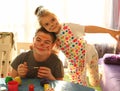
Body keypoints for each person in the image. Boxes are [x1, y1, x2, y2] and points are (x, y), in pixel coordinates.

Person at [34, 6, 120, 86]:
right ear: (43, 27)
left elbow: (89, 28)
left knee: (95, 82)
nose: (51, 24)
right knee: (78, 85)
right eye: (47, 24)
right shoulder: (52, 37)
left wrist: (110, 31)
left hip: (89, 54)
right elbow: (51, 52)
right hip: (75, 64)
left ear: (57, 17)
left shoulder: (69, 27)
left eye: (53, 20)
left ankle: (97, 76)